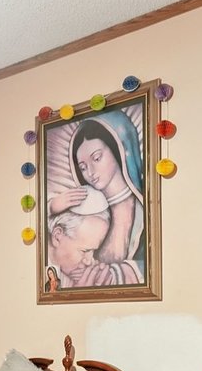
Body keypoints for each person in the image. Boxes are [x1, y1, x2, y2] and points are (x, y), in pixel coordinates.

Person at [46, 117, 145, 282]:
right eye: (83, 167)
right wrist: (50, 207)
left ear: (119, 149)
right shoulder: (85, 208)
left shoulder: (143, 214)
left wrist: (119, 274)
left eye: (97, 158)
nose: (90, 172)